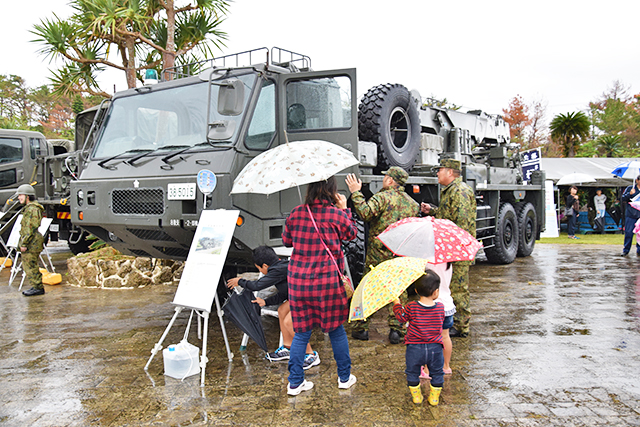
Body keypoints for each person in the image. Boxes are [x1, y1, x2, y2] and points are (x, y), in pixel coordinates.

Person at [281, 176, 357, 396]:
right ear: (331, 190)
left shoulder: (296, 213)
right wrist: (344, 208)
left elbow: (287, 241)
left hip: (299, 282)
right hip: (328, 283)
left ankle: (295, 383)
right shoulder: (335, 214)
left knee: (301, 333)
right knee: (336, 330)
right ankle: (344, 377)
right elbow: (350, 234)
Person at [345, 167, 420, 343]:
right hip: (400, 252)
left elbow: (365, 213)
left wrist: (356, 192)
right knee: (398, 290)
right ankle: (397, 329)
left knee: (368, 287)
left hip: (378, 252)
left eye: (386, 176)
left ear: (391, 180)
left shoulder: (382, 197)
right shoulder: (413, 204)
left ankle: (361, 327)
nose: (384, 178)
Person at [226, 246, 319, 370]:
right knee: (281, 310)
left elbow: (257, 285)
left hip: (313, 297)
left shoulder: (277, 270)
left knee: (289, 322)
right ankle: (288, 347)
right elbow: (283, 293)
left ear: (264, 266)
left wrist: (241, 281)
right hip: (299, 296)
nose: (259, 270)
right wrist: (265, 301)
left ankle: (311, 355)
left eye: (258, 268)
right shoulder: (280, 268)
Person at [420, 159, 476, 338]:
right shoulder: (451, 191)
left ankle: (461, 326)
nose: (437, 173)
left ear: (450, 172)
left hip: (456, 248)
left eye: (440, 170)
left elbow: (460, 223)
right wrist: (433, 211)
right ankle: (456, 322)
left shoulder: (459, 192)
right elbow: (448, 215)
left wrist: (452, 246)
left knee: (459, 288)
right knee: (452, 286)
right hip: (451, 247)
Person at [392, 270, 445, 406]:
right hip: (435, 348)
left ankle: (417, 397)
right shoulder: (440, 308)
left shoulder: (411, 307)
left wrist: (397, 304)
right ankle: (434, 398)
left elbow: (401, 318)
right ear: (436, 292)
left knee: (412, 372)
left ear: (415, 290)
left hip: (414, 348)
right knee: (437, 373)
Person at [419, 262, 454, 380]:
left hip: (432, 306)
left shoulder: (428, 261)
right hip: (447, 305)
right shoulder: (448, 262)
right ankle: (446, 366)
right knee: (445, 336)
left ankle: (428, 370)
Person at [16, 184, 45, 297]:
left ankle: (38, 287)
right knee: (30, 264)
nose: (19, 198)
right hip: (32, 240)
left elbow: (30, 228)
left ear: (27, 196)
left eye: (20, 195)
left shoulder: (32, 209)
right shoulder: (31, 208)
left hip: (32, 242)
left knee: (30, 264)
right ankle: (36, 286)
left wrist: (24, 243)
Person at [620, 175, 640, 256]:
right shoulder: (630, 188)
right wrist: (630, 194)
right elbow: (623, 198)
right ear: (637, 180)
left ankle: (639, 249)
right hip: (631, 214)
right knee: (628, 232)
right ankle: (626, 250)